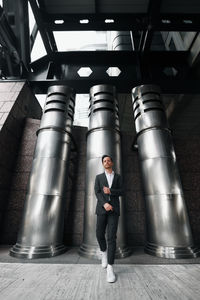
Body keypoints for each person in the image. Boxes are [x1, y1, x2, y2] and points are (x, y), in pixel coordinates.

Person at [94, 154, 123, 283]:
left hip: (114, 210)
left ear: (112, 163)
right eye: (104, 161)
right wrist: (104, 203)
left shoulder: (118, 177)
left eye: (108, 160)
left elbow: (123, 191)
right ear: (103, 164)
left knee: (111, 237)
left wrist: (111, 191)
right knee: (99, 234)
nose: (106, 162)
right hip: (102, 209)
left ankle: (110, 267)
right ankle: (103, 252)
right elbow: (97, 192)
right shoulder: (99, 177)